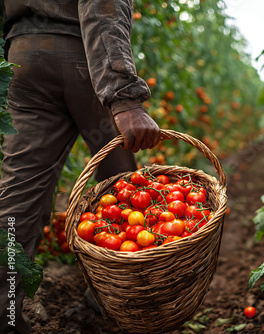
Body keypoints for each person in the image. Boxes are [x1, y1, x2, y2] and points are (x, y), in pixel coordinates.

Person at [0, 1, 161, 333]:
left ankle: (4, 314)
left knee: (18, 197)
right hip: (85, 59)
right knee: (124, 193)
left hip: (24, 56)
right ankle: (114, 302)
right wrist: (124, 97)